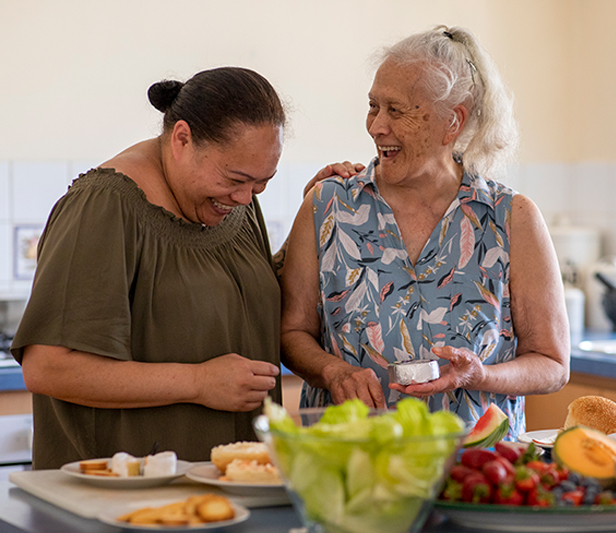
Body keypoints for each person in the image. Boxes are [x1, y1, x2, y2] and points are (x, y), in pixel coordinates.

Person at [10, 67, 359, 469]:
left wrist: (313, 212)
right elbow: (48, 368)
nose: (246, 197)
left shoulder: (229, 203)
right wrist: (198, 382)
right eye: (237, 178)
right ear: (181, 139)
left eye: (261, 184)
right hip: (125, 502)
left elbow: (250, 301)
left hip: (223, 495)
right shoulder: (105, 206)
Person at [280, 26, 571, 439]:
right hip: (351, 463)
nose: (377, 126)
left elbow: (552, 365)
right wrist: (332, 370)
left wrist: (480, 375)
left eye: (396, 111)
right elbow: (291, 333)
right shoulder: (328, 205)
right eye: (373, 107)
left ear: (452, 121)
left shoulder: (512, 218)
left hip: (476, 471)